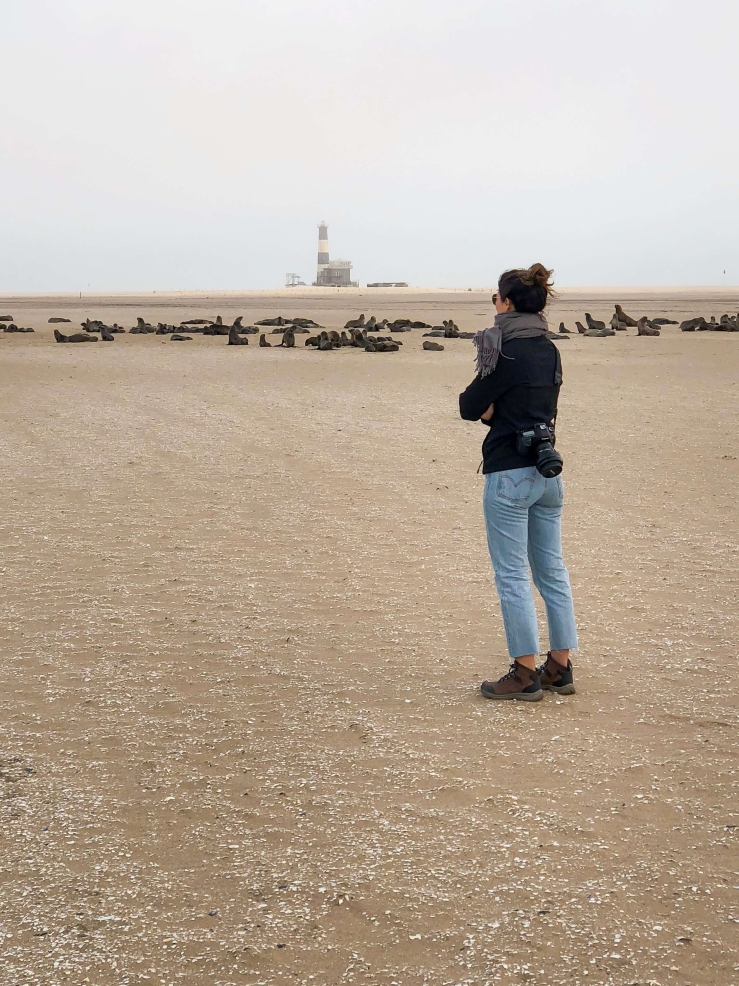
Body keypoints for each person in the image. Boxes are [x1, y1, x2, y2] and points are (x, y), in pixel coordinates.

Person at [459, 264, 578, 701]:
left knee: (512, 574)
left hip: (510, 472)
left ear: (507, 303)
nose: (494, 304)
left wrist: (495, 413)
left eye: (496, 297)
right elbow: (542, 401)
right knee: (553, 571)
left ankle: (525, 673)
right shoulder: (550, 348)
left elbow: (469, 405)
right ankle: (559, 667)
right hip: (548, 471)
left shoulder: (503, 348)